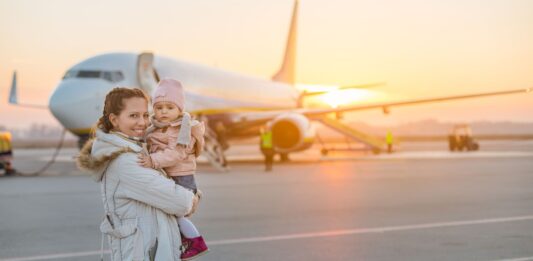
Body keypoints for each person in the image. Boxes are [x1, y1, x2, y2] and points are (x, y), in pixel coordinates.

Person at [76, 87, 198, 261]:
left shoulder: (136, 152)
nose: (142, 122)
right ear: (114, 119)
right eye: (134, 116)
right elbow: (182, 202)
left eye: (146, 115)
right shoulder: (126, 162)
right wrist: (192, 196)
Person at [137, 79, 208, 260]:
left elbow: (175, 154)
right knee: (168, 215)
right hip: (170, 176)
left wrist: (152, 160)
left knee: (175, 213)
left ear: (179, 109)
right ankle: (181, 241)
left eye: (169, 107)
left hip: (181, 178)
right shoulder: (158, 128)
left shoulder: (180, 129)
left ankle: (195, 240)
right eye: (159, 107)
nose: (163, 112)